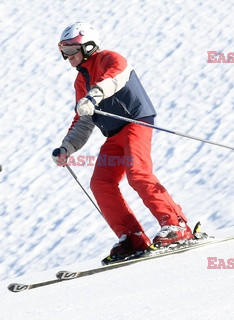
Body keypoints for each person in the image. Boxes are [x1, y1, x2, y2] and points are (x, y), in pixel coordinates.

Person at [52, 22, 194, 263]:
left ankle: (176, 225)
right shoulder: (80, 82)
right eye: (63, 51)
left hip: (135, 122)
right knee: (101, 182)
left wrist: (94, 95)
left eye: (71, 50)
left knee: (137, 173)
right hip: (113, 134)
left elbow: (115, 77)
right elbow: (84, 121)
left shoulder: (110, 58)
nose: (67, 57)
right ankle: (132, 237)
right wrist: (67, 147)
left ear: (87, 46)